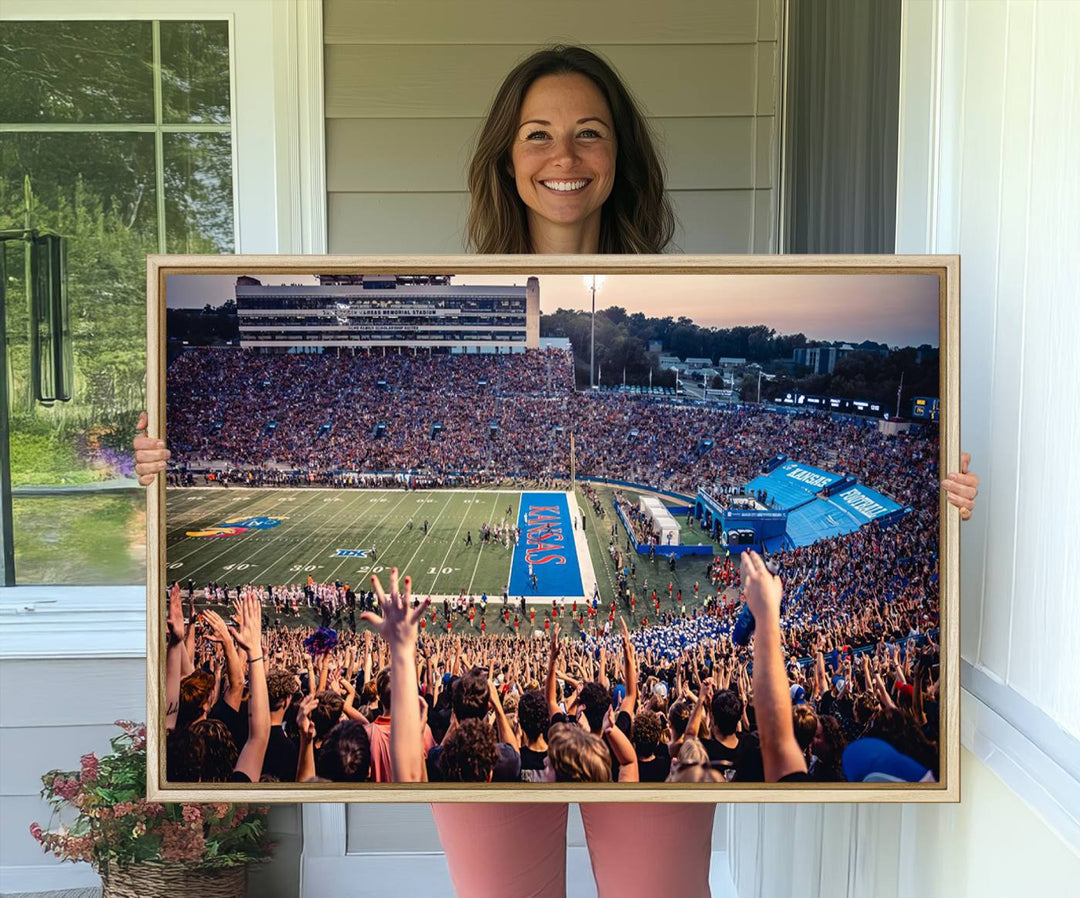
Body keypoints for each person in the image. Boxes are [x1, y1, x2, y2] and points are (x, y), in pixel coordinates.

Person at [134, 42, 981, 898]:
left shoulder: (696, 284)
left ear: (622, 156)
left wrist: (937, 498)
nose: (564, 156)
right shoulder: (461, 277)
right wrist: (156, 459)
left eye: (590, 133)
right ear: (506, 157)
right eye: (537, 133)